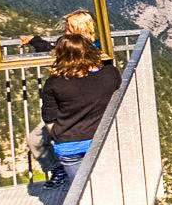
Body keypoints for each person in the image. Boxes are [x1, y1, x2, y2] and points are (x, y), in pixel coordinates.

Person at [39, 34, 120, 192]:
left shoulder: (54, 84)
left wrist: (58, 135)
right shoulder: (110, 75)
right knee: (108, 189)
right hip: (102, 140)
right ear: (90, 51)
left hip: (68, 145)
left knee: (81, 192)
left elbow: (49, 118)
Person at [19, 8, 97, 53]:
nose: (66, 33)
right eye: (66, 29)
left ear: (82, 30)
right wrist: (33, 40)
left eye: (69, 29)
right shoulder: (98, 47)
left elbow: (52, 52)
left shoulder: (70, 47)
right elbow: (51, 50)